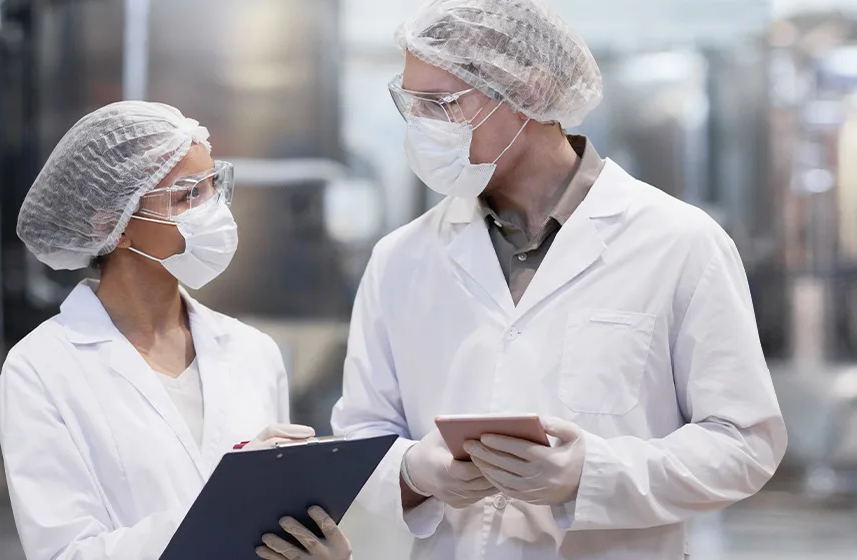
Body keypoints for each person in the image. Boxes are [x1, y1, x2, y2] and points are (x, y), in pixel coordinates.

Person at [331, 1, 788, 559]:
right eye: (411, 105)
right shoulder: (401, 258)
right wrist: (412, 472)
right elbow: (360, 436)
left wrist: (592, 476)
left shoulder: (679, 242)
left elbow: (744, 444)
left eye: (442, 104)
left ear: (527, 93)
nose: (422, 128)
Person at [0, 101, 351, 560]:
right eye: (188, 196)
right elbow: (66, 553)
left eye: (214, 187)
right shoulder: (41, 369)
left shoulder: (252, 351)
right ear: (114, 225)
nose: (215, 211)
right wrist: (227, 504)